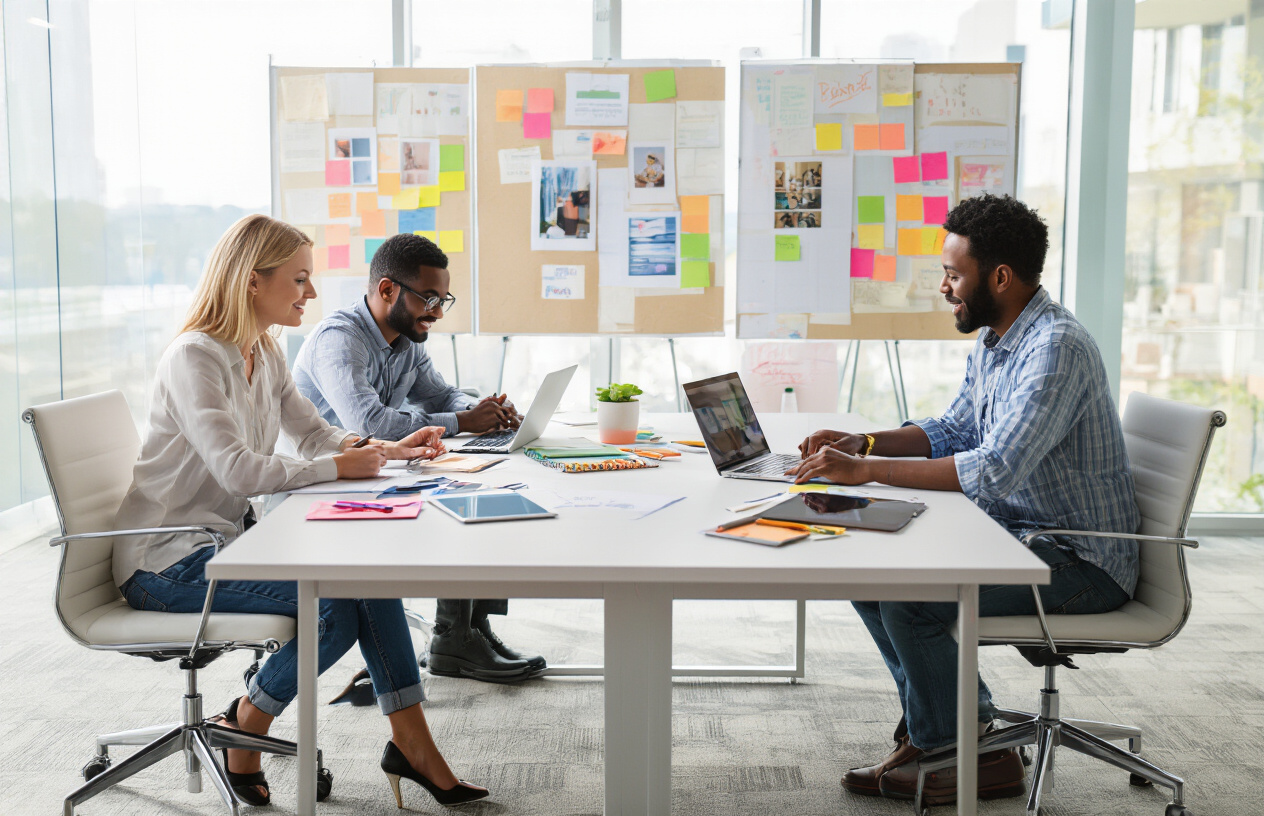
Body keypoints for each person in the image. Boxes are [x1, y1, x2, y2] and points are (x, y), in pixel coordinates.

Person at [113, 215, 488, 807]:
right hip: (165, 565)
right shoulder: (195, 358)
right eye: (300, 278)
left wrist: (385, 449)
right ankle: (250, 720)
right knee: (334, 611)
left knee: (366, 578)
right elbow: (239, 470)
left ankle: (410, 742)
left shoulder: (262, 350)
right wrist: (340, 467)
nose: (311, 292)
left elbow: (312, 434)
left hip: (225, 547)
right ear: (252, 280)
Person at [788, 194, 1140, 807]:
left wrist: (866, 471)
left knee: (912, 599)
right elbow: (956, 429)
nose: (944, 287)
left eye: (954, 274)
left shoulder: (1055, 348)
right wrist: (864, 441)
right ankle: (953, 736)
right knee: (869, 572)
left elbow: (995, 468)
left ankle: (958, 754)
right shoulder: (999, 340)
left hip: (1080, 562)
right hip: (1022, 537)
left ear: (999, 277)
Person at [293, 233, 547, 684]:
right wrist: (464, 421)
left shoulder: (407, 340)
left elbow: (441, 395)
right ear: (387, 289)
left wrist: (482, 408)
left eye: (442, 299)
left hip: (378, 471)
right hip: (324, 484)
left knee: (484, 494)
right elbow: (369, 423)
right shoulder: (340, 339)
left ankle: (467, 629)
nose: (438, 312)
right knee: (460, 506)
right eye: (429, 299)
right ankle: (454, 638)